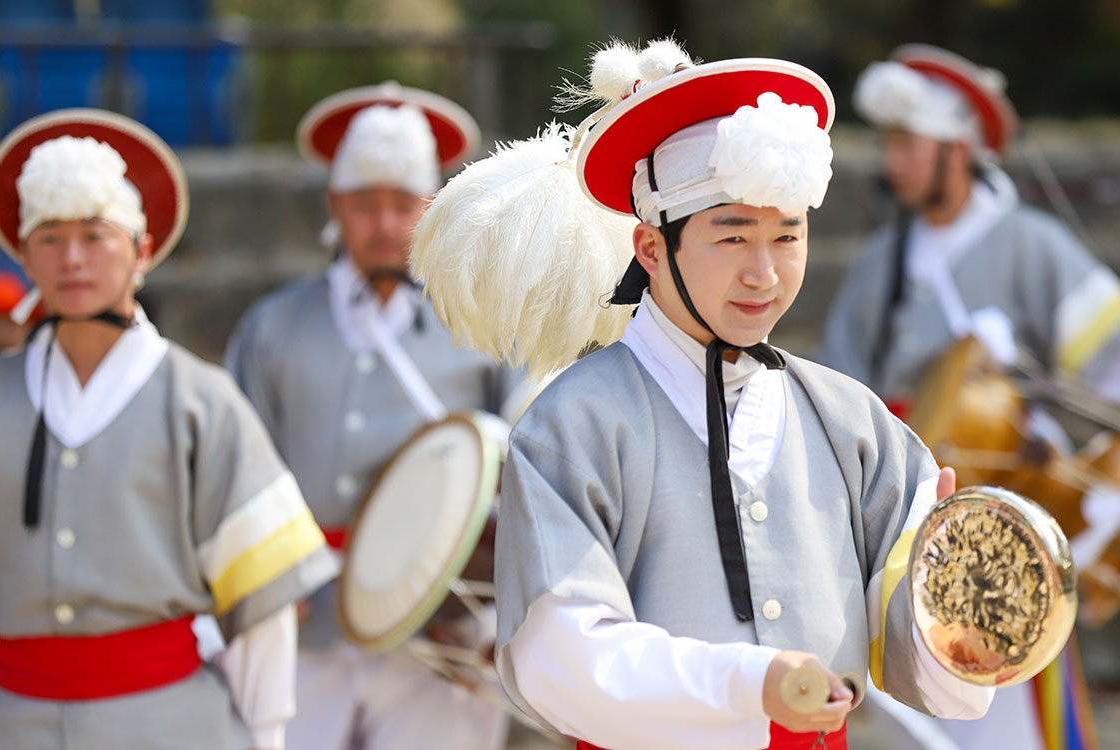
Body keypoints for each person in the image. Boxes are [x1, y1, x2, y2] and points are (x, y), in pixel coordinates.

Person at [410, 40, 1002, 750]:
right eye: (732, 237)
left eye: (788, 237)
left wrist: (962, 607)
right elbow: (557, 654)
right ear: (651, 249)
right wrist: (745, 686)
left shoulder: (853, 420)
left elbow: (932, 674)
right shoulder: (574, 424)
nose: (765, 273)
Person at [820, 44, 1120, 750]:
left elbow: (1113, 342)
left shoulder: (1028, 243)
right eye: (890, 143)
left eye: (906, 143)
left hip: (1000, 500)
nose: (891, 161)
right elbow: (839, 377)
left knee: (1006, 671)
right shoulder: (878, 261)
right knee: (908, 684)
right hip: (905, 497)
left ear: (957, 149)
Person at [0, 109, 337, 749]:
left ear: (142, 249)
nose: (72, 259)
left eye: (95, 236)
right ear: (23, 253)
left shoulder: (203, 402)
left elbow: (261, 607)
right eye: (49, 238)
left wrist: (266, 733)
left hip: (168, 723)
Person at [225, 82, 528, 750]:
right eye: (365, 204)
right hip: (306, 620)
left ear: (434, 206)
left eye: (404, 203)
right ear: (335, 204)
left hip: (442, 620)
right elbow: (235, 473)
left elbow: (528, 457)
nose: (386, 223)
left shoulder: (484, 319)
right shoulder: (271, 328)